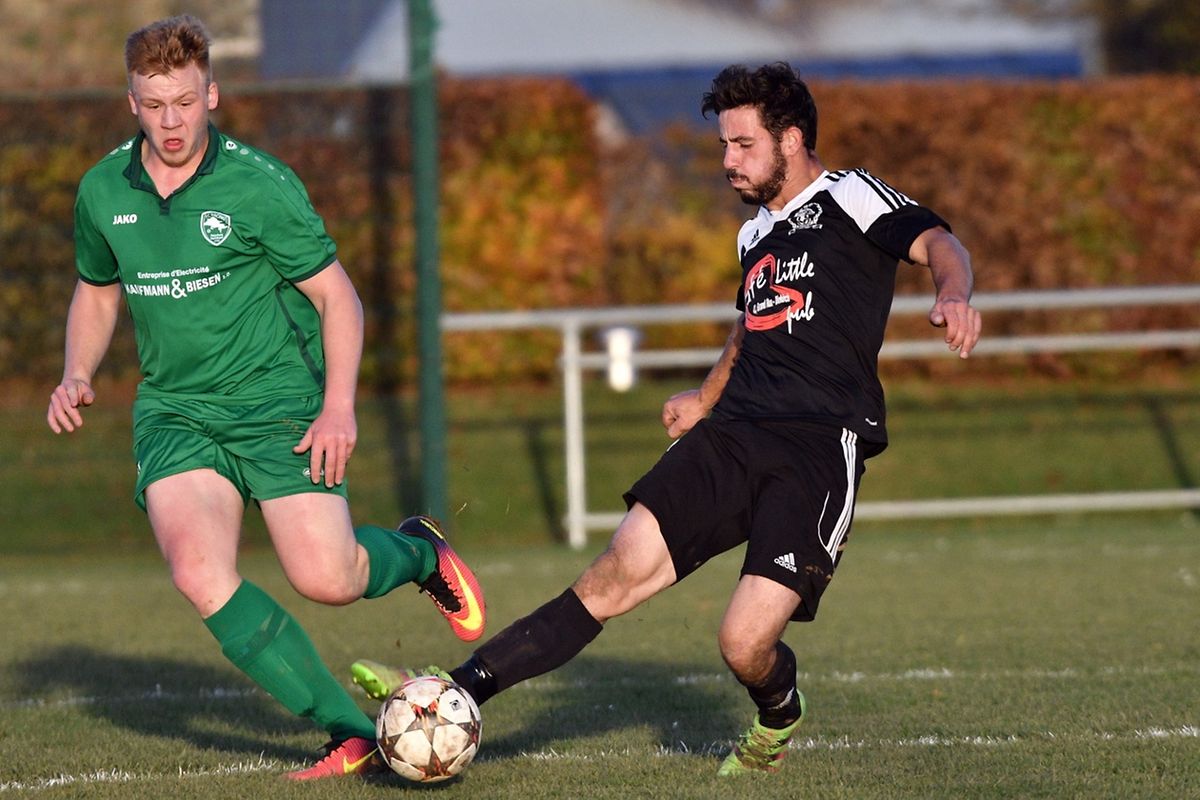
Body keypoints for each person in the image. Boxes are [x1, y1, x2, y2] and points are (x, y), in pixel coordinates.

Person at [351, 62, 983, 776]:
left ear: (793, 138)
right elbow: (750, 328)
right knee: (611, 575)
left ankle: (779, 711)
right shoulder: (755, 238)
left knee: (743, 643)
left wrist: (954, 295)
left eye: (742, 145)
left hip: (815, 446)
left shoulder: (851, 195)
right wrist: (705, 398)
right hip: (731, 434)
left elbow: (939, 242)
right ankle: (456, 692)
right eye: (723, 145)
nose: (728, 161)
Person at [45, 15, 486, 781]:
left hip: (275, 399)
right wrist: (76, 371)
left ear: (211, 93)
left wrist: (337, 407)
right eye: (154, 105)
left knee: (327, 579)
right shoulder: (101, 189)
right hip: (176, 411)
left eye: (185, 101)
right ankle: (349, 731)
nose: (171, 121)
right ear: (131, 103)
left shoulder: (260, 183)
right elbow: (95, 292)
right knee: (197, 572)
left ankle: (420, 551)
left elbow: (337, 299)